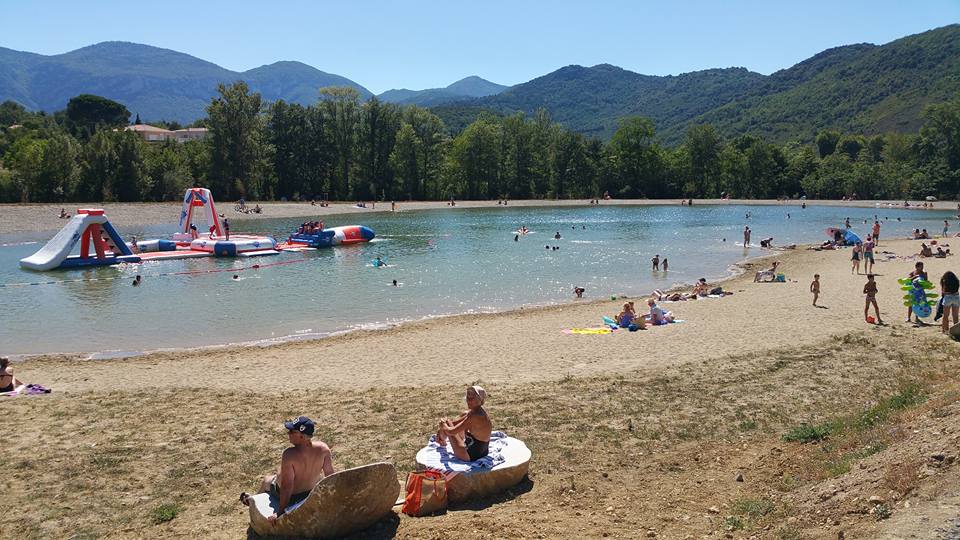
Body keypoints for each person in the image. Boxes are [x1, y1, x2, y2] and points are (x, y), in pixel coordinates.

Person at [240, 416, 334, 522]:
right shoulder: (323, 448)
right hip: (310, 493)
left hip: (292, 497)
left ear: (302, 436)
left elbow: (287, 486)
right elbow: (330, 477)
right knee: (317, 476)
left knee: (267, 480)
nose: (288, 433)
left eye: (292, 431)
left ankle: (253, 501)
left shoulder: (290, 455)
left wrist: (280, 512)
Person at [436, 386, 493, 461]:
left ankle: (442, 442)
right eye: (468, 397)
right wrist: (442, 427)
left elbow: (451, 431)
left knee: (447, 425)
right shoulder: (476, 411)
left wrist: (443, 425)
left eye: (472, 398)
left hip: (470, 456)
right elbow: (455, 423)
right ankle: (442, 440)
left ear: (480, 400)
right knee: (460, 416)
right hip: (482, 452)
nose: (469, 400)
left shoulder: (475, 416)